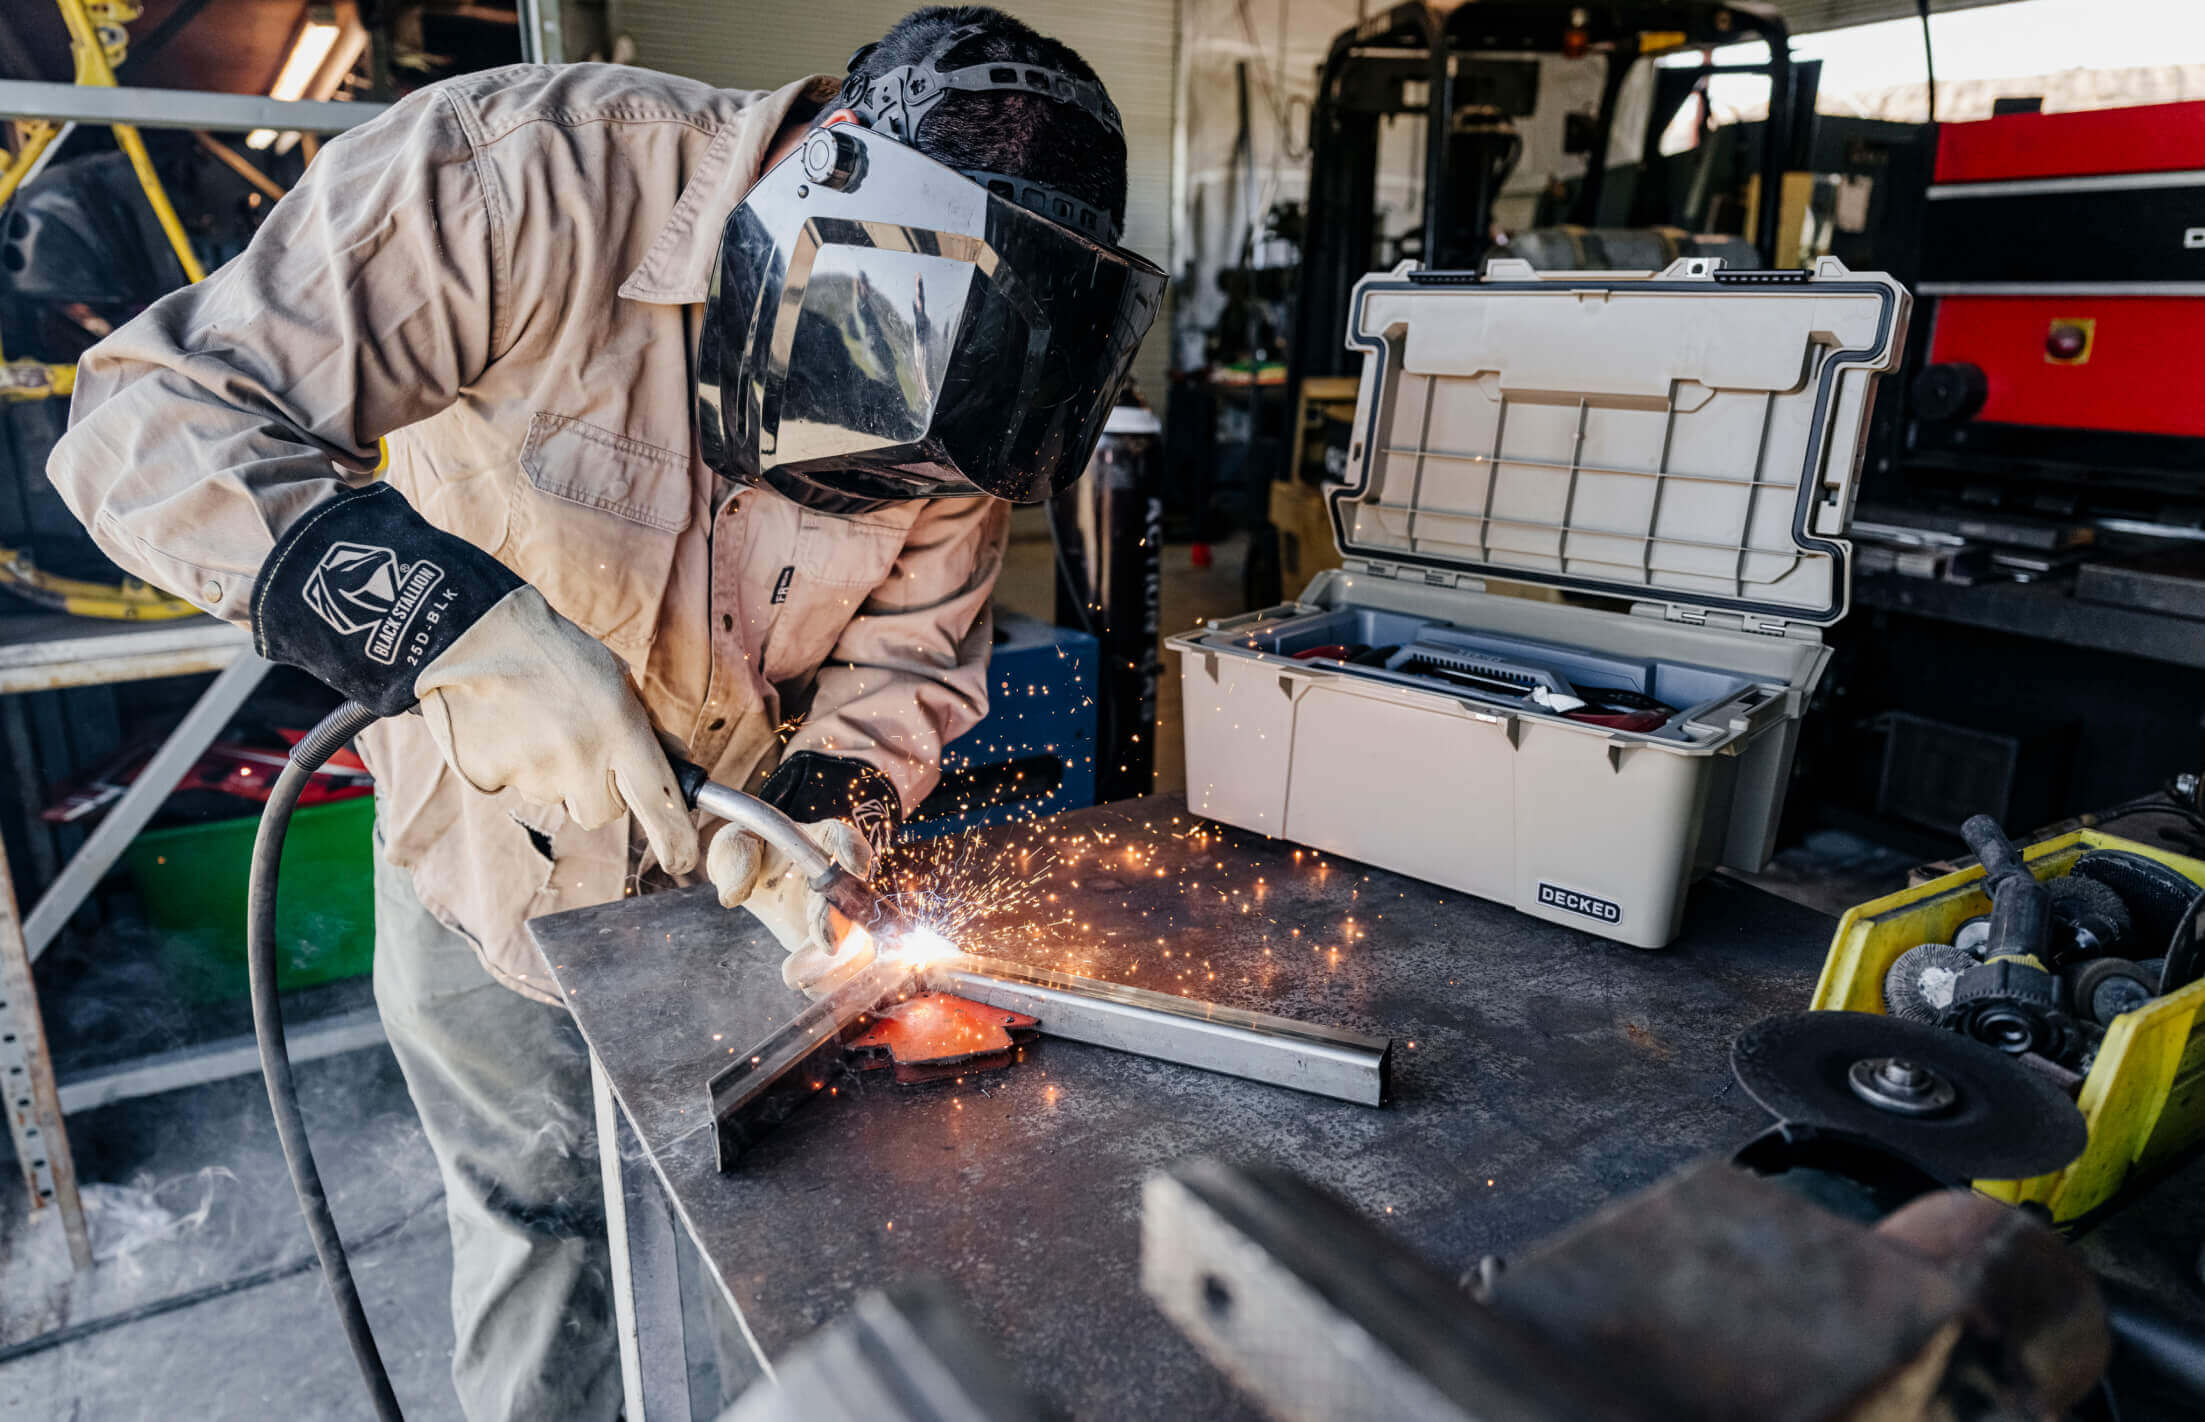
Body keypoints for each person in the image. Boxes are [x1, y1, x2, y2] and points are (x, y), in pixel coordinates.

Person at [48, 7, 1163, 1417]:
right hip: (489, 876)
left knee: (776, 1247)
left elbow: (910, 656)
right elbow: (147, 419)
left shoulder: (983, 378)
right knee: (546, 1244)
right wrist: (445, 629)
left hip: (730, 901)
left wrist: (829, 798)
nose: (890, 495)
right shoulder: (521, 179)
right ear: (814, 171)